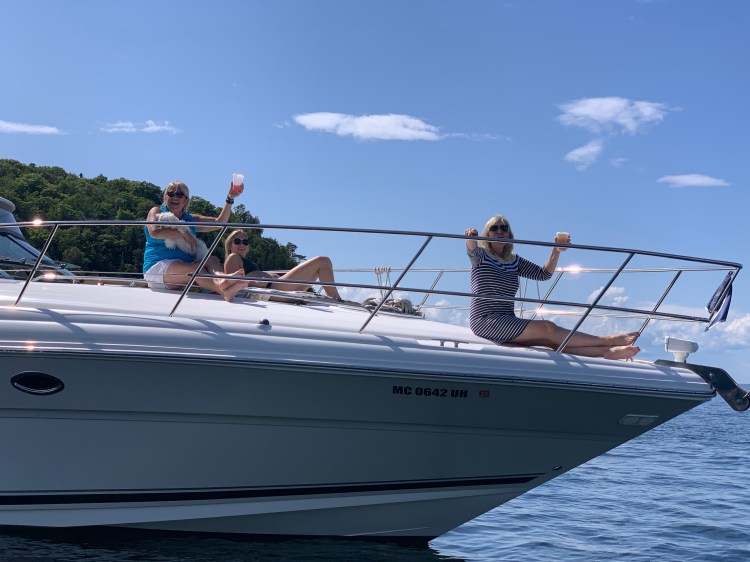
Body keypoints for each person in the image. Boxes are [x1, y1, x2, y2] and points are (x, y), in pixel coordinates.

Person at [465, 215, 640, 360]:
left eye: (504, 228)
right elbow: (471, 248)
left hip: (507, 319)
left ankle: (606, 352)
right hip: (485, 320)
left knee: (549, 341)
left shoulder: (514, 261)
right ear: (487, 233)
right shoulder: (481, 256)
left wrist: (556, 251)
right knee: (547, 327)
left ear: (509, 234)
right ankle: (607, 340)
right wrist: (471, 237)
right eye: (494, 228)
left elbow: (543, 274)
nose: (500, 231)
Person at [143, 181, 248, 302]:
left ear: (186, 200)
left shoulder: (190, 220)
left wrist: (230, 198)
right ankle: (223, 290)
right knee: (195, 268)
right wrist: (184, 233)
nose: (175, 197)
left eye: (179, 195)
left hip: (183, 269)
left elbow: (219, 223)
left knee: (212, 259)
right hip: (157, 269)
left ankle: (222, 279)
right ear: (166, 197)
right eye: (171, 194)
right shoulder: (157, 212)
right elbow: (155, 232)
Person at [223, 229, 343, 300]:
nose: (242, 244)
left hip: (277, 287)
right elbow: (231, 283)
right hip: (274, 288)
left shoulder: (243, 261)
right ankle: (336, 300)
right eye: (237, 241)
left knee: (321, 266)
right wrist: (253, 282)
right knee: (322, 261)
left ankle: (336, 299)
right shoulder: (233, 257)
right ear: (229, 245)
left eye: (245, 242)